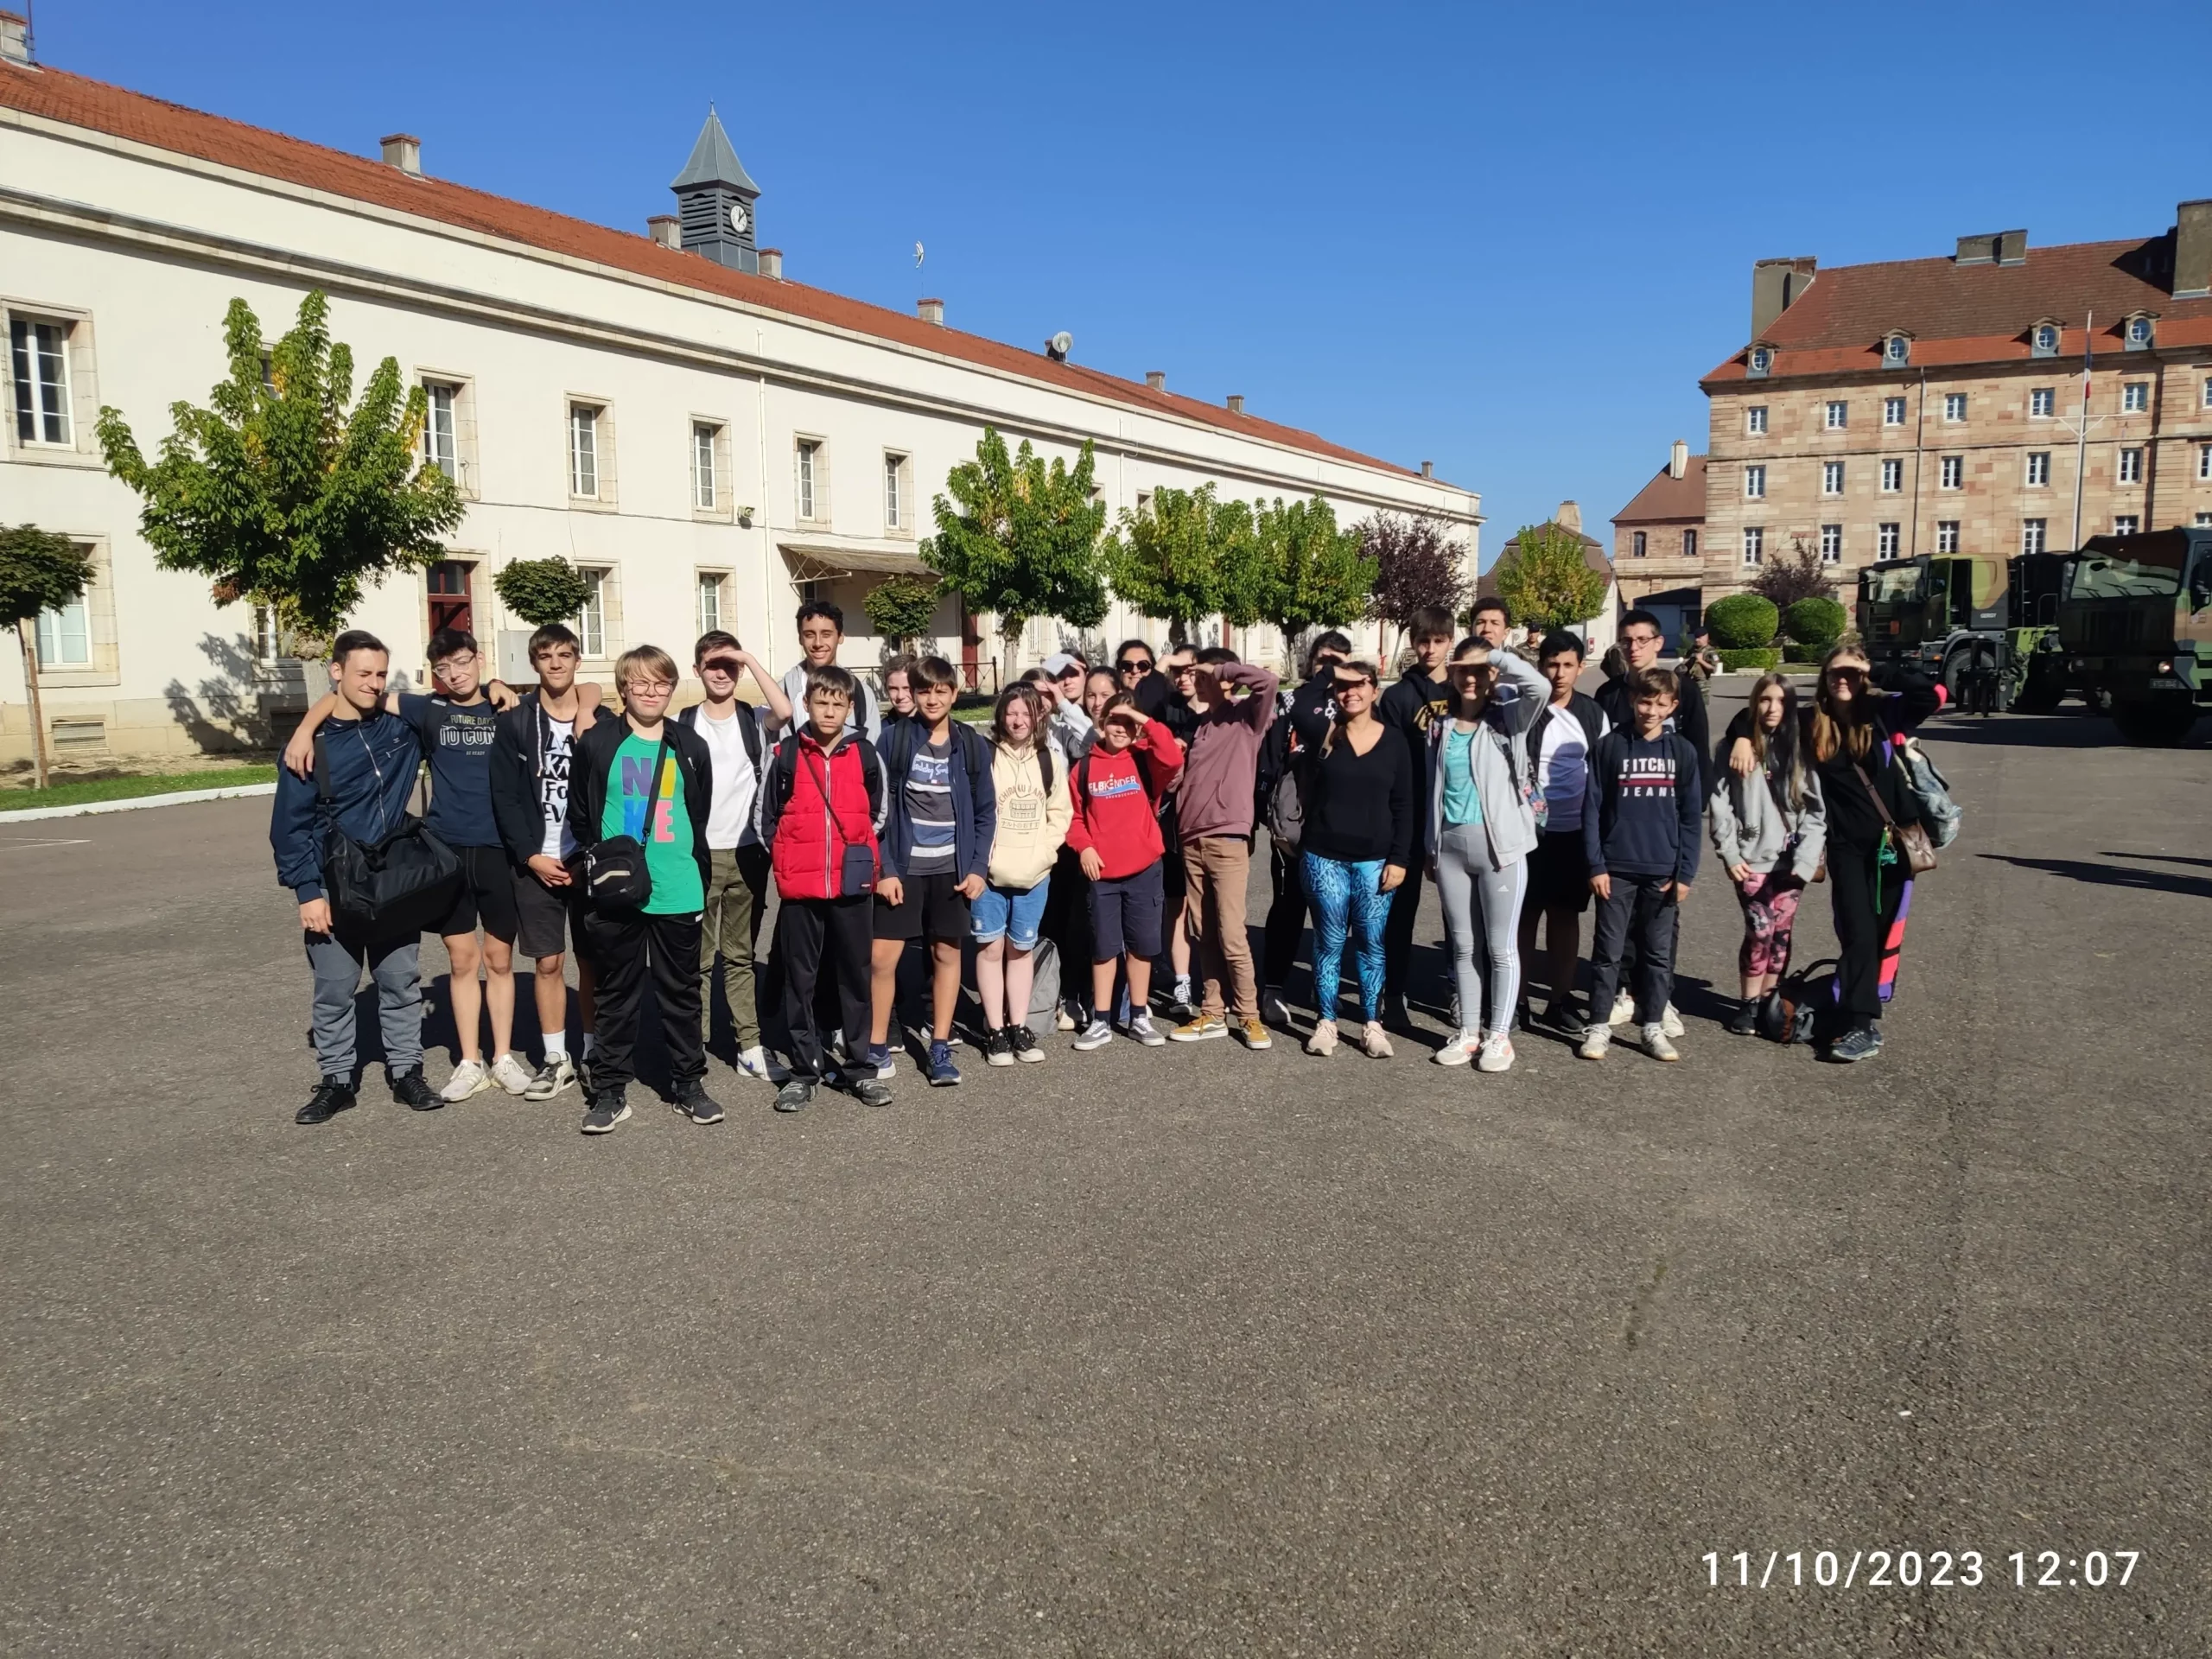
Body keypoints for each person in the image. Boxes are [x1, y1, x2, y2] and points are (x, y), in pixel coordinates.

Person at [283, 627, 533, 1102]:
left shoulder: (508, 710)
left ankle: (502, 1056)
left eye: (464, 662)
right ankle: (468, 1061)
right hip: (447, 852)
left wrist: (503, 684)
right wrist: (303, 727)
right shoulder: (428, 710)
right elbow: (353, 692)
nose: (455, 674)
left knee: (496, 959)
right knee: (460, 960)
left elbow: (573, 692)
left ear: (479, 660)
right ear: (434, 676)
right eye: (443, 668)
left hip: (498, 850)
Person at [1724, 645, 1942, 1062]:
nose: (1843, 680)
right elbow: (1761, 714)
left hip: (1891, 846)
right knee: (1857, 932)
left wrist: (1876, 667)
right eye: (1835, 673)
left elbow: (1931, 694)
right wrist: (1739, 736)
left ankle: (1852, 1009)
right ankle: (1862, 1026)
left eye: (1852, 674)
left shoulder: (1882, 713)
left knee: (1882, 935)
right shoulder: (1809, 721)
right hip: (1844, 849)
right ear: (1824, 678)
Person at [271, 631, 442, 1123]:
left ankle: (407, 1071)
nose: (373, 683)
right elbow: (290, 827)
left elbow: (450, 706)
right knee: (334, 989)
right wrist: (307, 892)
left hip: (394, 881)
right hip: (332, 886)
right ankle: (337, 1080)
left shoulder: (400, 732)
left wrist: (497, 689)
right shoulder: (312, 748)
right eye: (362, 672)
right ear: (336, 671)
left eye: (380, 674)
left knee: (399, 982)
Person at [564, 645, 719, 1133]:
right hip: (617, 891)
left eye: (662, 684)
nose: (652, 692)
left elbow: (700, 813)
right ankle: (610, 1090)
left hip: (678, 888)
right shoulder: (597, 743)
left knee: (682, 992)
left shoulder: (690, 746)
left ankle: (688, 1084)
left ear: (673, 689)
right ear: (623, 687)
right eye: (641, 683)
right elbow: (582, 813)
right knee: (616, 993)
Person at [758, 666, 889, 1110]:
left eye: (838, 704)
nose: (829, 711)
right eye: (821, 702)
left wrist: (858, 853)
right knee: (801, 981)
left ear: (850, 708)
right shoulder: (788, 754)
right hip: (802, 888)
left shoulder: (865, 754)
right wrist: (789, 861)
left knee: (854, 978)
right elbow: (766, 820)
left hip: (852, 889)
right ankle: (802, 1070)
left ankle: (859, 1068)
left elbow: (879, 814)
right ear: (806, 705)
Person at [487, 623, 602, 1100]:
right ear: (534, 663)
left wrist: (593, 853)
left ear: (578, 660)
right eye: (546, 656)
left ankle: (594, 1051)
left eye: (565, 655)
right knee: (549, 962)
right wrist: (530, 855)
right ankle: (557, 1057)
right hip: (537, 861)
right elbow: (505, 797)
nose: (556, 664)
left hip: (586, 859)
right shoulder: (516, 722)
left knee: (593, 960)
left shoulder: (601, 719)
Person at [1423, 639, 1549, 1071]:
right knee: (1463, 946)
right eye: (1463, 671)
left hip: (1501, 850)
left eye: (1480, 671)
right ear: (1453, 675)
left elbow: (1540, 688)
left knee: (1499, 947)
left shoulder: (1509, 719)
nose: (1471, 679)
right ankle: (1470, 1033)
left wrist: (1494, 657)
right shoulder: (1439, 726)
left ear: (1493, 674)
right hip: (1452, 849)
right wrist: (1431, 845)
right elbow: (1433, 791)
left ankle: (1500, 1036)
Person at [870, 655, 995, 1088]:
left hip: (952, 871)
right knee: (882, 957)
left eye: (941, 691)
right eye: (924, 690)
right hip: (902, 871)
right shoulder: (893, 740)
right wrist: (885, 868)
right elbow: (877, 811)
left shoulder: (972, 745)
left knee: (946, 954)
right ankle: (876, 1043)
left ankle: (940, 1045)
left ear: (955, 695)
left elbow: (985, 813)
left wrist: (978, 868)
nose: (932, 698)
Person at [676, 630, 791, 1085]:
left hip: (747, 852)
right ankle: (695, 1047)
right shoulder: (683, 723)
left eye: (730, 666)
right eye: (712, 665)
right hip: (698, 855)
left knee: (740, 955)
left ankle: (749, 1045)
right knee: (699, 958)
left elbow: (786, 710)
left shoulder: (754, 719)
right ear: (697, 670)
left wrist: (746, 656)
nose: (721, 673)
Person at [1592, 607, 1711, 1036]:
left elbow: (1698, 750)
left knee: (1661, 923)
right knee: (1617, 926)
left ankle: (1659, 997)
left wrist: (1688, 829)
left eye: (1643, 639)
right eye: (1627, 640)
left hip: (1664, 831)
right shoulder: (1609, 694)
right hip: (1621, 831)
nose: (1634, 647)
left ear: (1659, 643)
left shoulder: (1685, 691)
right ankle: (1624, 991)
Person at [1288, 658, 1412, 1057]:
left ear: (1375, 689)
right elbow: (1298, 705)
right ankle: (1326, 1022)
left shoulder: (1394, 741)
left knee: (1372, 943)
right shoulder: (1326, 734)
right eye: (1343, 686)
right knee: (1328, 941)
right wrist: (1329, 671)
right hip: (1324, 856)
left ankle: (1372, 1024)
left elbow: (1405, 804)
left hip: (1376, 861)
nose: (1350, 692)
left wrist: (1400, 858)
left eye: (1360, 684)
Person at [1580, 667, 1703, 1063]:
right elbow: (1593, 809)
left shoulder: (1682, 751)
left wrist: (1685, 872)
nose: (1651, 710)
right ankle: (1598, 1024)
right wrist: (1596, 865)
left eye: (1660, 704)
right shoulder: (1609, 746)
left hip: (1663, 870)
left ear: (1673, 706)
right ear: (1633, 700)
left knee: (1657, 954)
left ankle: (1652, 1023)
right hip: (1616, 868)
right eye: (1645, 701)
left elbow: (1689, 817)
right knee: (1608, 951)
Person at [1166, 646, 1278, 1048]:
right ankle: (1212, 1012)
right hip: (1191, 838)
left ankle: (1248, 1015)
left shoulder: (1246, 717)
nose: (1197, 681)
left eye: (1203, 674)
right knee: (1204, 931)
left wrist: (1224, 669)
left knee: (1232, 931)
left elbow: (1269, 683)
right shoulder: (1197, 727)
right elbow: (1184, 781)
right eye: (1194, 677)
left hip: (1228, 837)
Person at [1065, 693, 1185, 1050]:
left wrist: (1138, 715)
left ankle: (1138, 1015)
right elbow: (1073, 817)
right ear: (1101, 723)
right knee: (1104, 947)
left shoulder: (1146, 761)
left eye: (1128, 723)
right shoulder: (1083, 767)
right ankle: (1101, 1019)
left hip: (1145, 869)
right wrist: (1084, 846)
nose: (1121, 728)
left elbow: (1173, 755)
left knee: (1142, 946)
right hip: (1102, 874)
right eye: (1114, 721)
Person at [1709, 672, 1827, 1035]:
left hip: (1792, 860)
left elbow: (1816, 811)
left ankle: (1769, 1001)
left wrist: (1807, 859)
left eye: (1780, 701)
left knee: (1781, 934)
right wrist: (1729, 853)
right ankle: (1748, 1002)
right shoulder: (1733, 748)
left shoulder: (1800, 748)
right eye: (1765, 699)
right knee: (1759, 930)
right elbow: (1719, 804)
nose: (1772, 708)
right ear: (1754, 703)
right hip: (1750, 858)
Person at [1515, 631, 1610, 1031]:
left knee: (1565, 917)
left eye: (1567, 665)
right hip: (1527, 832)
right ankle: (1515, 1000)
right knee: (1524, 918)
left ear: (1579, 667)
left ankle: (1559, 998)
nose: (1559, 673)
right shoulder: (1525, 710)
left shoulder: (1592, 715)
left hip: (1574, 832)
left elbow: (1604, 774)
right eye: (1552, 664)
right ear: (1541, 666)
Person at [974, 683, 1072, 1063]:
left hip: (1034, 873)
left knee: (1020, 950)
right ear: (1001, 715)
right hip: (989, 874)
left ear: (1038, 717)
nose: (1018, 720)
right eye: (1011, 712)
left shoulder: (1049, 759)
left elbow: (1060, 813)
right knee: (990, 948)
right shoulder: (986, 755)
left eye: (1026, 713)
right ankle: (995, 1029)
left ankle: (1019, 1026)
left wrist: (1044, 854)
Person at [1258, 630, 1351, 1025]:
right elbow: (1270, 759)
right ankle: (1273, 988)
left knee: (1335, 910)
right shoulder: (1292, 702)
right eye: (1323, 660)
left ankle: (1323, 983)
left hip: (1338, 825)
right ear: (1311, 662)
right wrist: (1267, 815)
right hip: (1296, 826)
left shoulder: (1352, 704)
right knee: (1289, 905)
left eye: (1338, 662)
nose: (1329, 668)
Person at [1376, 606, 1459, 1027]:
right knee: (1399, 913)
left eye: (1438, 641)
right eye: (1423, 640)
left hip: (1456, 817)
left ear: (1450, 641)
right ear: (1413, 642)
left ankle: (1461, 990)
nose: (1430, 648)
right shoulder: (1397, 698)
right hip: (1407, 817)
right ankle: (1393, 993)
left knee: (1458, 914)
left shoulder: (1465, 692)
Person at [1153, 644, 1201, 1014]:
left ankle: (1220, 984)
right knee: (1177, 905)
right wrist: (1163, 663)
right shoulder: (1166, 707)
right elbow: (1142, 697)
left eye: (1192, 670)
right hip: (1171, 820)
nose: (1184, 677)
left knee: (1215, 909)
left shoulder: (1222, 713)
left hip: (1209, 822)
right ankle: (1182, 983)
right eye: (1179, 671)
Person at [774, 600, 878, 741]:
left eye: (826, 634)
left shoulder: (861, 694)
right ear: (800, 638)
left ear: (840, 637)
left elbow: (871, 751)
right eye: (810, 635)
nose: (818, 643)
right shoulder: (782, 692)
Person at [880, 658, 917, 729]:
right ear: (886, 689)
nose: (900, 696)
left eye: (907, 688)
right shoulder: (879, 731)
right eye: (893, 689)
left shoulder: (936, 728)